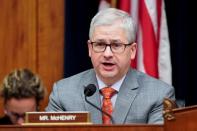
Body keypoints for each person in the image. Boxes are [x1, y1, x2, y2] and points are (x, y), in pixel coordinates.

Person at [46, 8, 175, 124]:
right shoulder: (63, 93)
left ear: (132, 50)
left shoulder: (159, 95)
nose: (107, 54)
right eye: (100, 44)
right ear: (90, 48)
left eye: (116, 45)